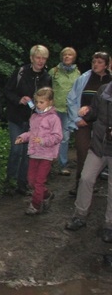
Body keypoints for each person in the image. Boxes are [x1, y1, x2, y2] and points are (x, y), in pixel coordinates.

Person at [65, 79, 112, 243]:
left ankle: (109, 225)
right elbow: (94, 113)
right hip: (99, 144)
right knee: (86, 178)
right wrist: (87, 110)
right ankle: (80, 216)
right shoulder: (104, 90)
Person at [3, 45, 52, 195]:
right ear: (31, 58)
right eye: (38, 57)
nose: (40, 61)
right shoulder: (20, 72)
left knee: (28, 153)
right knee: (16, 149)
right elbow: (7, 91)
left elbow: (49, 99)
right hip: (16, 118)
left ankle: (22, 184)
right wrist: (19, 99)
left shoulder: (47, 77)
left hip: (34, 122)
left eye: (43, 58)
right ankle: (9, 182)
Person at [66, 51, 111, 195]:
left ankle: (92, 183)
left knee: (100, 153)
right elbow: (71, 99)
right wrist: (77, 118)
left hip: (103, 123)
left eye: (99, 62)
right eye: (94, 62)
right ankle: (79, 184)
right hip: (84, 121)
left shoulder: (109, 81)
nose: (96, 65)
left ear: (106, 65)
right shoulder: (84, 78)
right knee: (82, 150)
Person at [14, 87, 62, 215]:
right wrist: (22, 137)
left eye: (42, 102)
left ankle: (35, 205)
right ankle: (47, 195)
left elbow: (58, 136)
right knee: (31, 181)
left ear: (50, 102)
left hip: (46, 154)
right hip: (34, 153)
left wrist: (43, 141)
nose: (38, 105)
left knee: (39, 181)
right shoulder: (34, 116)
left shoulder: (54, 118)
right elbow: (32, 133)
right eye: (37, 102)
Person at [48, 47, 80, 175]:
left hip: (68, 110)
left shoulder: (78, 74)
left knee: (65, 137)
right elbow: (46, 89)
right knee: (50, 135)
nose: (67, 57)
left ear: (73, 58)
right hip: (54, 109)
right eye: (65, 55)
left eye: (70, 55)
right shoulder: (54, 71)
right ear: (61, 57)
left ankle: (63, 164)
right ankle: (48, 162)